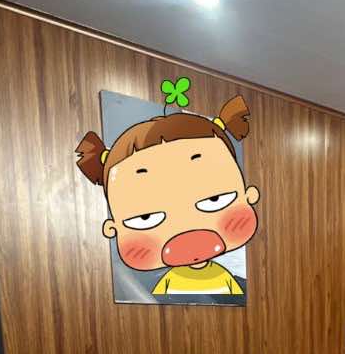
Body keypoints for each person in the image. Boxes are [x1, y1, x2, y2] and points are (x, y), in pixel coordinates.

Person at [75, 89, 260, 296]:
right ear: (112, 228)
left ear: (249, 196)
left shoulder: (233, 279)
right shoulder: (138, 284)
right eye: (145, 217)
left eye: (214, 200)